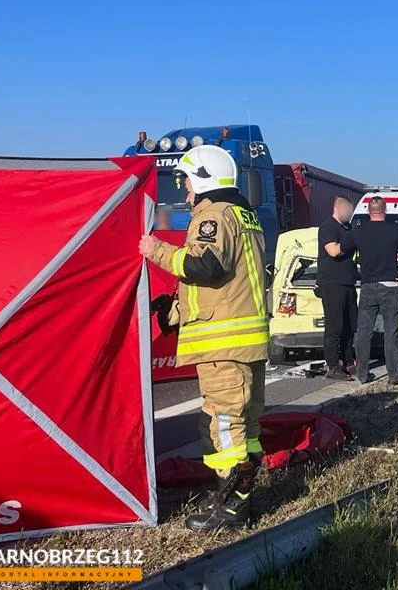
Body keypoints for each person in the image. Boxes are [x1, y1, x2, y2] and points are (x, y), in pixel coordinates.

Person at [139, 145, 268, 531]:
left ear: (205, 179)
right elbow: (229, 283)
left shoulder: (212, 215)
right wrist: (176, 310)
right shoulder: (244, 214)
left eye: (187, 180)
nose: (185, 190)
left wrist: (155, 250)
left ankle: (231, 510)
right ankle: (237, 500)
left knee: (224, 425)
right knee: (245, 425)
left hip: (224, 345)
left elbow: (205, 266)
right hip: (243, 341)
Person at [327, 196, 398, 385]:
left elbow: (338, 251)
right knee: (391, 332)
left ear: (368, 211)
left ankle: (363, 373)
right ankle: (395, 375)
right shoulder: (395, 230)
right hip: (390, 286)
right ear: (385, 211)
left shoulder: (358, 232)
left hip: (368, 287)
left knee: (364, 332)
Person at [317, 196, 358, 380]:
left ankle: (349, 360)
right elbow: (333, 251)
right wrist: (352, 240)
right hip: (332, 283)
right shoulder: (328, 227)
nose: (349, 214)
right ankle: (333, 366)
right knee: (335, 326)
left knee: (350, 324)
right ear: (337, 208)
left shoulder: (348, 229)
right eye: (347, 210)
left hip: (349, 282)